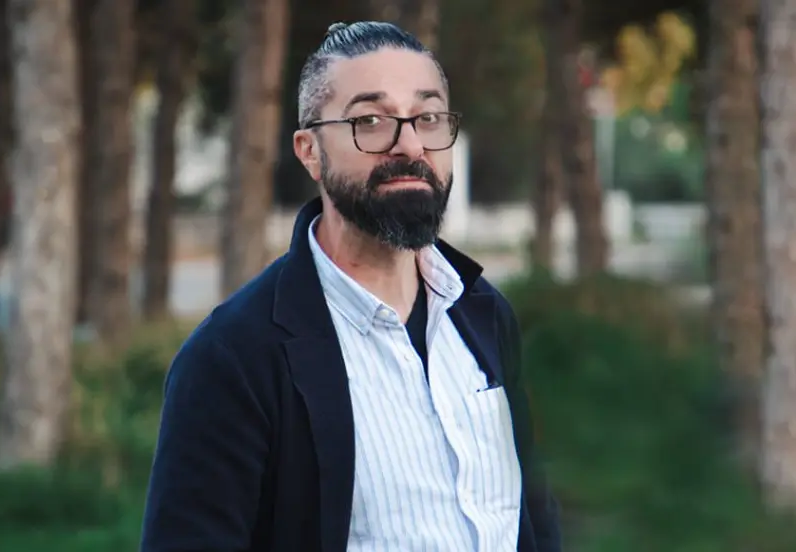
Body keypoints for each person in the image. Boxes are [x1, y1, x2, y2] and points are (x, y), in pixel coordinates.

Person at [140, 21, 562, 552]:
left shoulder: (483, 314)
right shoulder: (234, 358)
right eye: (371, 121)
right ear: (309, 151)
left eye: (428, 117)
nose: (409, 144)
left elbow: (532, 520)